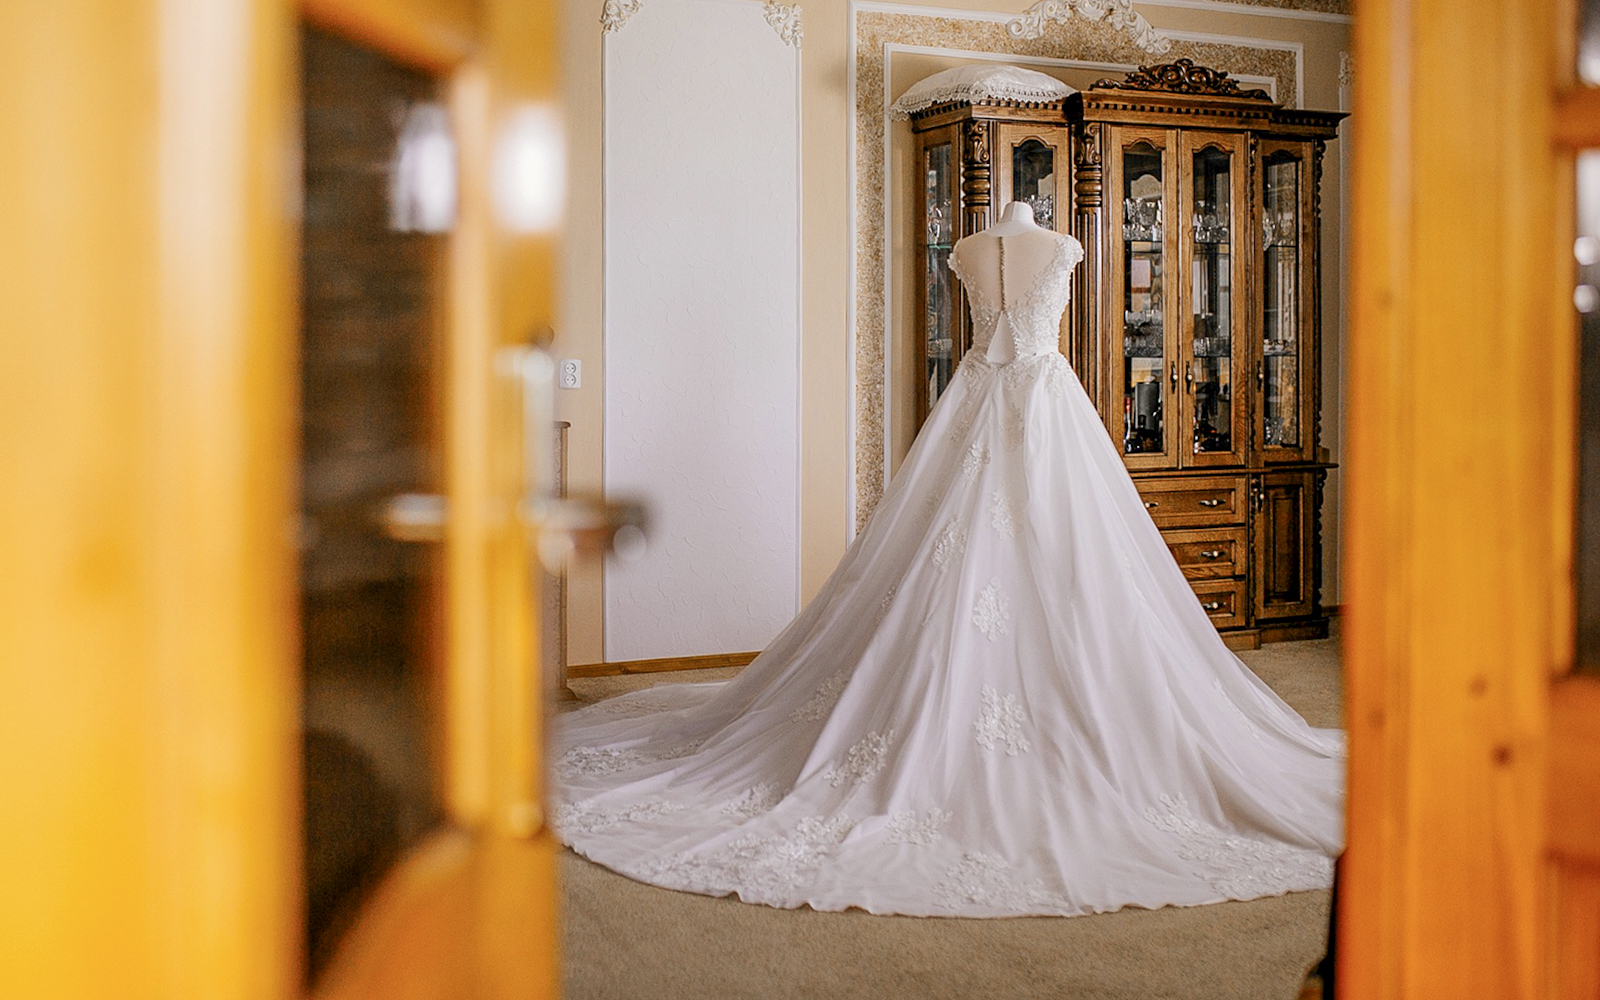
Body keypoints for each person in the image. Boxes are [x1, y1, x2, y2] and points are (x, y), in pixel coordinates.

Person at [550, 201, 1345, 918]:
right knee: (952, 567)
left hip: (1010, 408)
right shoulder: (1027, 247)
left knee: (1059, 571)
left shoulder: (1006, 248)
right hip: (1011, 404)